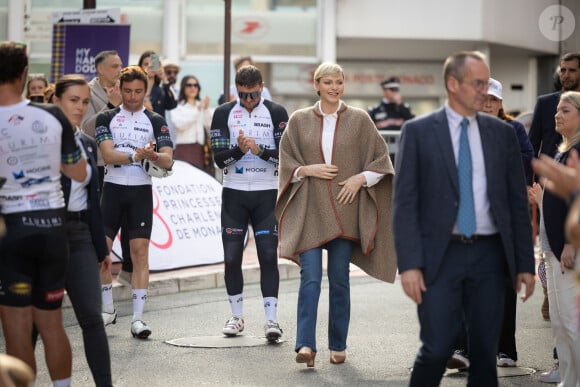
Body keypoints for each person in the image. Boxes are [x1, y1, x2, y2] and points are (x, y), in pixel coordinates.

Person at [392, 51, 535, 387]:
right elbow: (404, 204)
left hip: (490, 255)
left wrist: (524, 263)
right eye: (478, 83)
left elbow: (516, 202)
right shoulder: (419, 131)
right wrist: (409, 264)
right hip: (441, 257)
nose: (485, 92)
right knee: (437, 348)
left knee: (484, 355)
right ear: (453, 84)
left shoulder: (503, 134)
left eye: (487, 83)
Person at [276, 62, 397, 367]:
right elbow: (287, 161)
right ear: (316, 84)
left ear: (344, 85)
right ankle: (305, 345)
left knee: (340, 280)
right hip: (310, 211)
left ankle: (337, 344)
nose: (333, 87)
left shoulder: (359, 120)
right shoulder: (299, 119)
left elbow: (382, 162)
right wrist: (307, 169)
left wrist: (359, 179)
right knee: (311, 278)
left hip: (346, 211)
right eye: (327, 82)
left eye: (338, 82)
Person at [0, 41, 87, 387]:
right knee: (52, 325)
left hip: (13, 232)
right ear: (24, 74)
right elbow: (79, 173)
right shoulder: (52, 117)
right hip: (53, 229)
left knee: (17, 328)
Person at [210, 65, 288, 341]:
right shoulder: (223, 113)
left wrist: (258, 150)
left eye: (253, 95)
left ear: (261, 87)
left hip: (267, 194)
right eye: (243, 95)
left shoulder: (277, 112)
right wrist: (239, 150)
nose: (248, 101)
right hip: (234, 193)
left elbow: (286, 157)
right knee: (231, 258)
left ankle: (271, 320)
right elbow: (219, 160)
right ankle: (236, 316)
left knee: (268, 256)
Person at [95, 65, 174, 339]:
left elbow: (168, 159)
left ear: (145, 90)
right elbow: (107, 155)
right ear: (119, 88)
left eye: (138, 91)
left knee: (140, 253)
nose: (132, 97)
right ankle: (108, 310)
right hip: (113, 190)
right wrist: (134, 156)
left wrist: (151, 156)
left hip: (140, 191)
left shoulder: (155, 119)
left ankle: (138, 319)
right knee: (101, 253)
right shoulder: (106, 118)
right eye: (127, 91)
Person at [53, 74, 113, 386]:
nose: (80, 107)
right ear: (56, 101)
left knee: (92, 319)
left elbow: (93, 202)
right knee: (40, 323)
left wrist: (101, 250)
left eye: (85, 102)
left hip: (80, 237)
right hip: (46, 235)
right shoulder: (42, 141)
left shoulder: (89, 145)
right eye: (73, 100)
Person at [529, 91, 580, 387]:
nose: (556, 115)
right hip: (552, 248)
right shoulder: (564, 148)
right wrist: (542, 197)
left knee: (571, 324)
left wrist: (572, 243)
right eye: (557, 110)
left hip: (568, 248)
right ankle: (569, 380)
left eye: (566, 111)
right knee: (561, 324)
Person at [81, 50, 123, 186]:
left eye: (120, 66)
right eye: (114, 66)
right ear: (100, 69)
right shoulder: (87, 91)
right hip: (100, 162)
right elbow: (87, 128)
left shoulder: (125, 90)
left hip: (126, 162)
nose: (120, 70)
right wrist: (111, 105)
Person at [529, 52, 580, 158]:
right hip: (548, 170)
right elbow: (532, 144)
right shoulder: (544, 103)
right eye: (563, 70)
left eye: (572, 70)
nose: (566, 75)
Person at [170, 75, 213, 169]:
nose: (192, 88)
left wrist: (205, 109)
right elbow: (180, 125)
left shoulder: (200, 105)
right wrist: (197, 111)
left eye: (195, 85)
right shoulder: (177, 106)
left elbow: (209, 126)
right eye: (189, 85)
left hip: (200, 150)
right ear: (183, 88)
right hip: (184, 148)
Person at [138, 50, 178, 117]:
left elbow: (173, 104)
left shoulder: (161, 90)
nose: (150, 66)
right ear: (140, 67)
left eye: (153, 64)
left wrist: (164, 78)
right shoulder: (134, 88)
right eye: (146, 64)